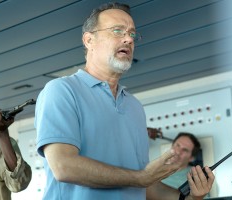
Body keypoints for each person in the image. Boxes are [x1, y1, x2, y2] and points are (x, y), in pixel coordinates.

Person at [34, 2, 214, 200]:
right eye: (117, 31)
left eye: (132, 34)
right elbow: (63, 167)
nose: (128, 39)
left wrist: (190, 197)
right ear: (88, 40)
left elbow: (145, 187)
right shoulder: (62, 91)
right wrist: (141, 178)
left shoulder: (134, 107)